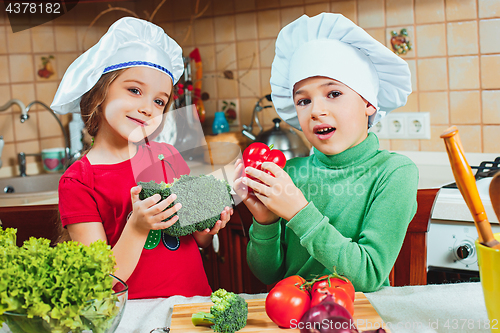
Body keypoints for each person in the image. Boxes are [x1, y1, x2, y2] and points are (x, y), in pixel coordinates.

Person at [233, 13, 418, 292]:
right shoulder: (291, 172)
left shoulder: (394, 173)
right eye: (304, 100)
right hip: (292, 314)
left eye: (333, 94)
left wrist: (298, 211)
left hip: (358, 316)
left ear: (368, 101)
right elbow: (268, 274)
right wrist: (265, 224)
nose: (316, 111)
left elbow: (367, 275)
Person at [52, 17, 232, 299]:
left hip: (193, 305)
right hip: (132, 316)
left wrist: (210, 224)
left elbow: (198, 241)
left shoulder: (168, 155)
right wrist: (136, 227)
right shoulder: (79, 181)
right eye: (135, 90)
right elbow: (100, 281)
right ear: (99, 92)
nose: (148, 108)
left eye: (159, 101)